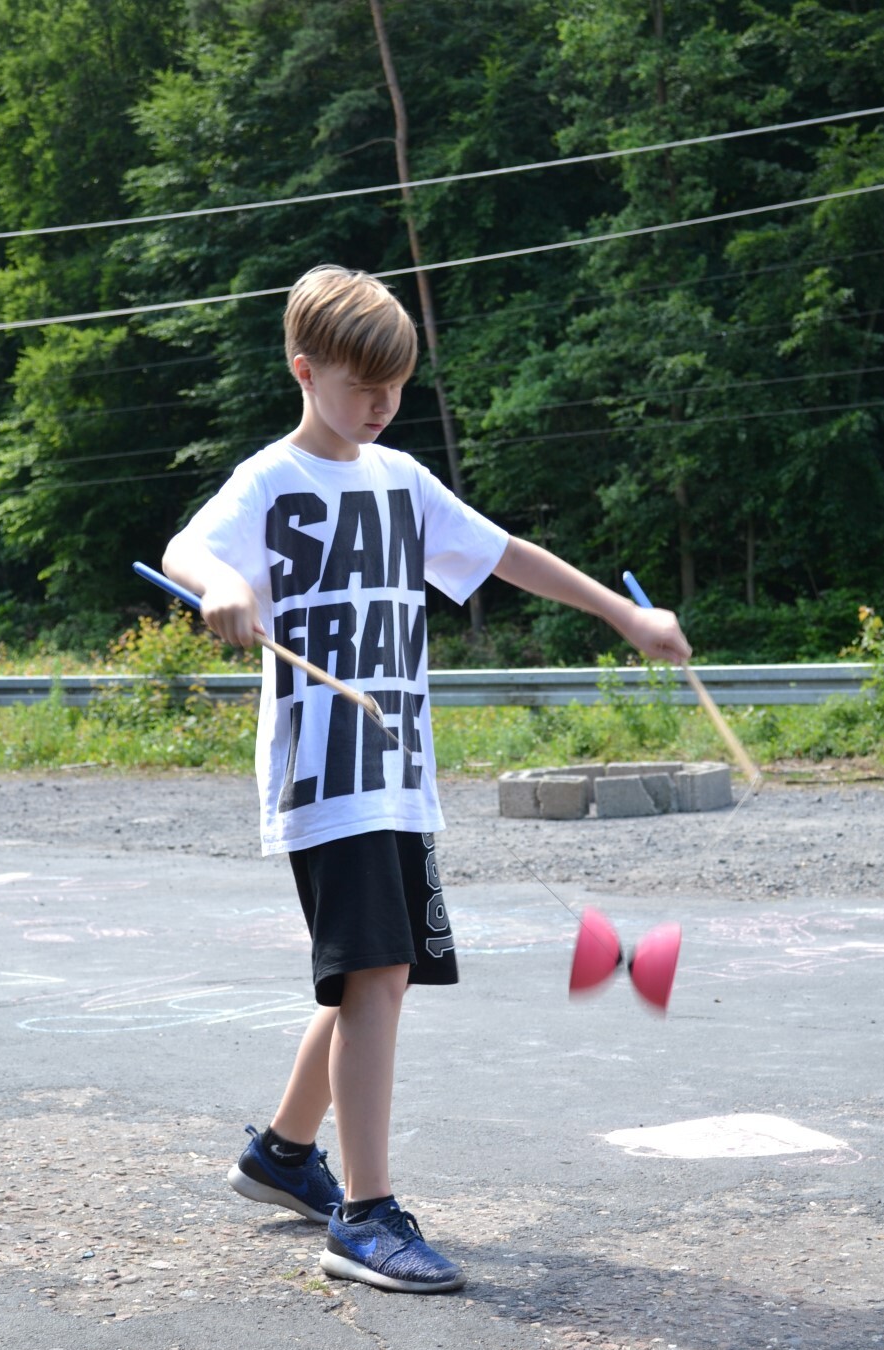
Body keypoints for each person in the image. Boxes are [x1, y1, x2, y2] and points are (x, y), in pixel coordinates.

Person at [162, 264, 691, 1294]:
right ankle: (365, 1216)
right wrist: (222, 583)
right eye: (362, 387)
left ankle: (284, 1155)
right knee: (375, 973)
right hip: (327, 776)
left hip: (397, 771)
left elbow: (507, 554)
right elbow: (189, 548)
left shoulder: (401, 480)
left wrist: (624, 616)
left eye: (396, 387)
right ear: (304, 371)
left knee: (378, 970)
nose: (381, 405)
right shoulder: (269, 481)